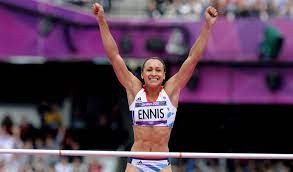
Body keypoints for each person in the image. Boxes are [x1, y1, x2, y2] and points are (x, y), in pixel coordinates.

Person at [92, 3, 217, 172]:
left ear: (164, 75)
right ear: (142, 74)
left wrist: (207, 26)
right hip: (137, 162)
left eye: (158, 70)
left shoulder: (171, 91)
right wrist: (101, 20)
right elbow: (114, 56)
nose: (153, 73)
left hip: (161, 162)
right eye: (149, 69)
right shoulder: (134, 90)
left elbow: (193, 58)